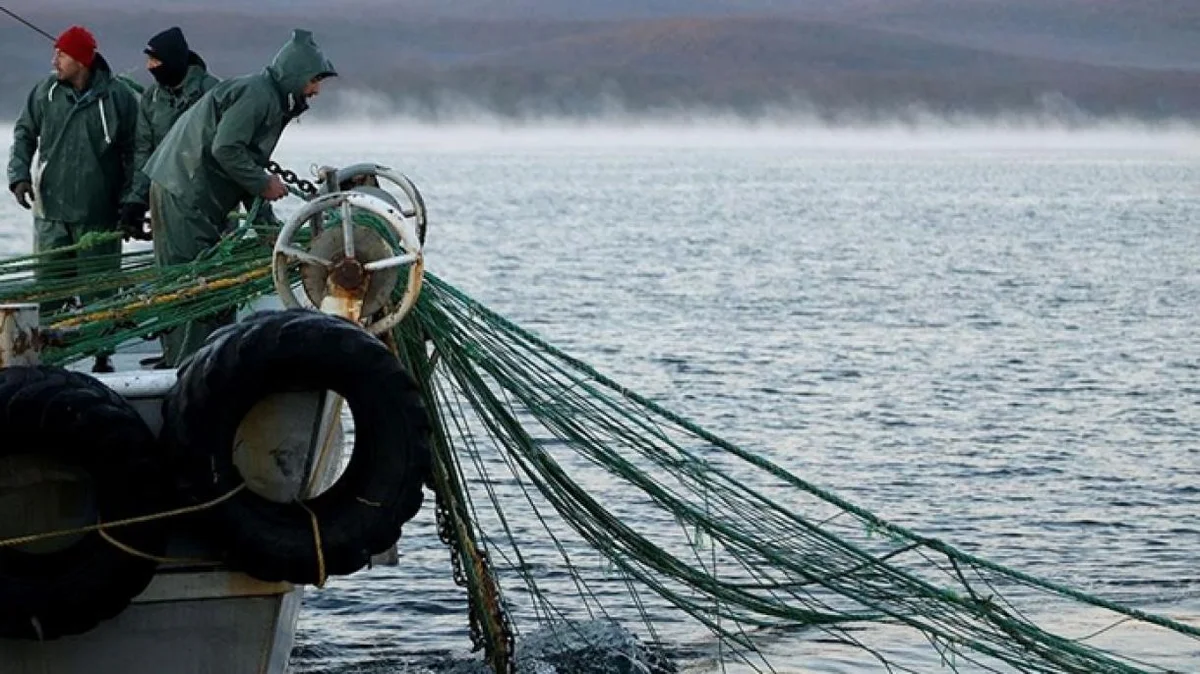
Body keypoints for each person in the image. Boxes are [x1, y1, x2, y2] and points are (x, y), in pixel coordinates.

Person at [142, 28, 336, 367]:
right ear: (294, 75)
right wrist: (263, 184)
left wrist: (268, 232)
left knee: (202, 282)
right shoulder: (258, 96)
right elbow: (226, 149)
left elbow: (245, 160)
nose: (316, 90)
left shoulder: (270, 99)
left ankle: (199, 363)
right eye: (313, 80)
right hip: (184, 190)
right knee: (194, 285)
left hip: (190, 191)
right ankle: (188, 369)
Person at [6, 25, 139, 373]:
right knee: (50, 289)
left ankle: (102, 354)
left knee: (100, 289)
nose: (55, 60)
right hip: (51, 212)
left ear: (81, 60)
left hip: (98, 213)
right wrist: (18, 175)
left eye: (62, 54)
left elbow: (135, 151)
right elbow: (23, 133)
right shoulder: (45, 93)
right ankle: (48, 360)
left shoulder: (118, 98)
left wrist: (132, 201)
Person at [119, 26, 219, 241]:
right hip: (166, 203)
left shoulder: (213, 92)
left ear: (172, 60)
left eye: (155, 61)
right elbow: (144, 153)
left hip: (211, 204)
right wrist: (136, 201)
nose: (149, 67)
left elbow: (229, 148)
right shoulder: (151, 99)